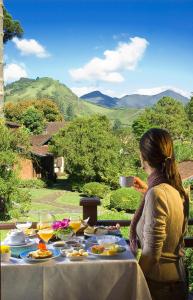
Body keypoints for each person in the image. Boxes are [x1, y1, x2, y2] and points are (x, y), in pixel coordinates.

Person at [129, 128, 189, 300]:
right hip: (176, 282)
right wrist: (147, 193)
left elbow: (151, 253)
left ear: (143, 157)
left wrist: (132, 281)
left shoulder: (157, 194)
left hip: (159, 288)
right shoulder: (177, 190)